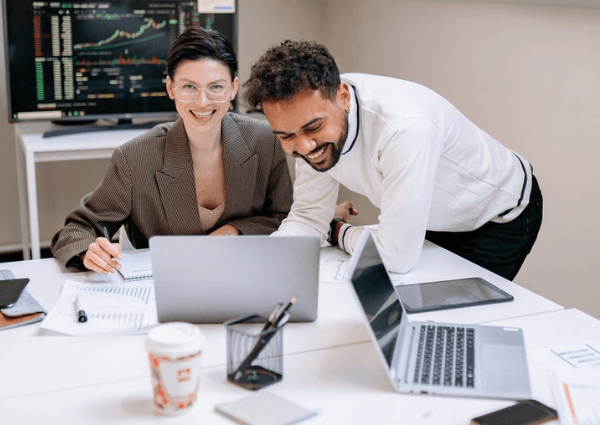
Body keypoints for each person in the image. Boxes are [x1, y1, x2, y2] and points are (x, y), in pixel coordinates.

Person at [243, 40, 543, 281]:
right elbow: (309, 218)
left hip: (496, 217)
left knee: (455, 322)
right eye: (286, 136)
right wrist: (267, 265)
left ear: (343, 97)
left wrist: (337, 232)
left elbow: (396, 257)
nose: (305, 147)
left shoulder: (404, 128)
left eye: (314, 128)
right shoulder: (309, 122)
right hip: (432, 218)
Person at [51, 28, 293, 274]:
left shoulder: (265, 141)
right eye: (189, 87)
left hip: (246, 273)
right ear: (170, 88)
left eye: (216, 87)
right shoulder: (134, 157)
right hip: (167, 282)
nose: (202, 102)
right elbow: (78, 229)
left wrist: (234, 230)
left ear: (233, 88)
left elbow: (286, 216)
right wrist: (88, 252)